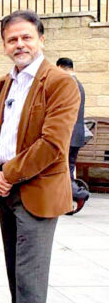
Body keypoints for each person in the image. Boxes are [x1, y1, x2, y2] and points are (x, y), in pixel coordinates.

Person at [0, 10, 80, 303]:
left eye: (26, 37)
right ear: (4, 45)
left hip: (36, 193)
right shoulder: (5, 83)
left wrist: (8, 173)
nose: (19, 44)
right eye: (12, 39)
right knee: (20, 279)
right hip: (7, 193)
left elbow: (53, 144)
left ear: (41, 38)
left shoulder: (59, 82)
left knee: (30, 282)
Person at [56, 57, 90, 203]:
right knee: (68, 167)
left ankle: (77, 194)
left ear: (59, 67)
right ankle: (68, 198)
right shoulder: (78, 84)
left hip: (68, 134)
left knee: (61, 168)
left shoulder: (68, 83)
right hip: (76, 135)